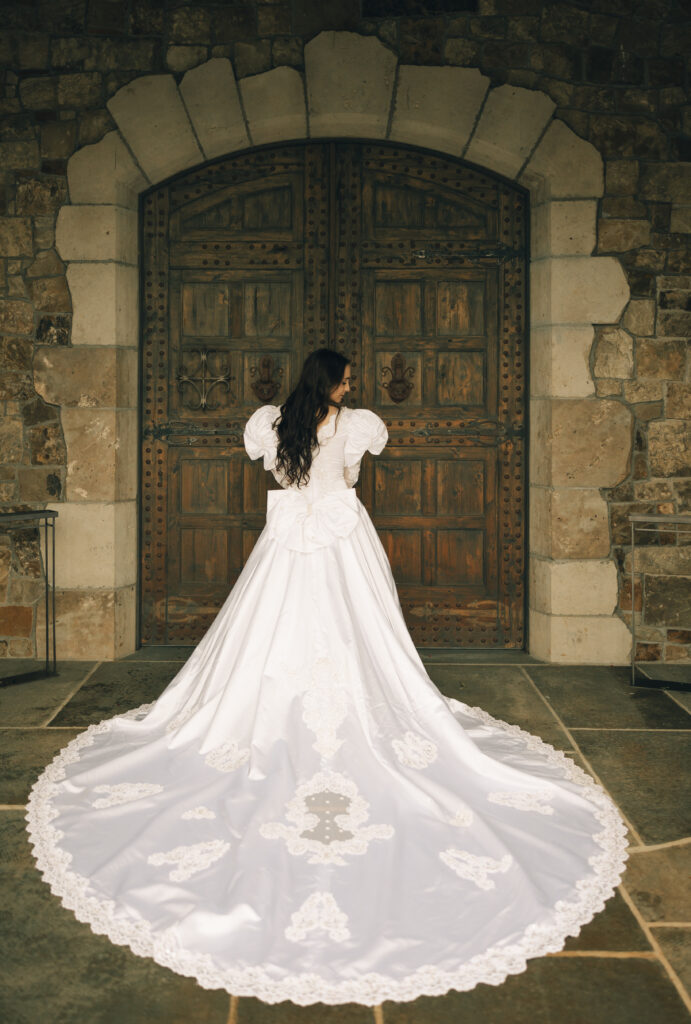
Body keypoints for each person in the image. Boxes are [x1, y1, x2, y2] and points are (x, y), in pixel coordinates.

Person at [26, 348, 629, 1007]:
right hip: (341, 539)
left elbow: (287, 468)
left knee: (272, 632)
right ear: (335, 382)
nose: (354, 385)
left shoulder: (272, 423)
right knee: (358, 629)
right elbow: (346, 472)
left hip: (289, 544)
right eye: (347, 377)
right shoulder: (357, 425)